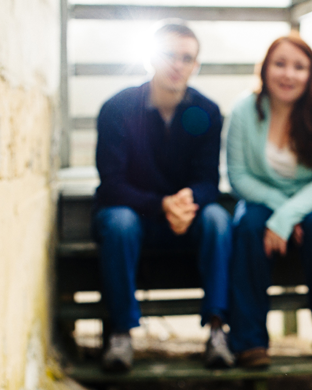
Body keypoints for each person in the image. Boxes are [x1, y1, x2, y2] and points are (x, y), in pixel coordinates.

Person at [92, 21, 234, 371]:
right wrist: (161, 205)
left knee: (217, 218)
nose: (178, 65)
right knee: (118, 221)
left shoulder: (207, 111)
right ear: (151, 58)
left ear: (195, 66)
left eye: (187, 58)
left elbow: (208, 180)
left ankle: (217, 331)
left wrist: (186, 200)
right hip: (135, 217)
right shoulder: (118, 108)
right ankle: (121, 334)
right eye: (169, 55)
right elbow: (111, 182)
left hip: (185, 219)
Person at [226, 34, 312, 369]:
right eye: (280, 64)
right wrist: (282, 211)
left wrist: (290, 215)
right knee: (247, 225)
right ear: (265, 69)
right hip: (267, 197)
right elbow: (239, 177)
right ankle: (250, 341)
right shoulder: (245, 110)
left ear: (311, 73)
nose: (288, 74)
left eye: (299, 67)